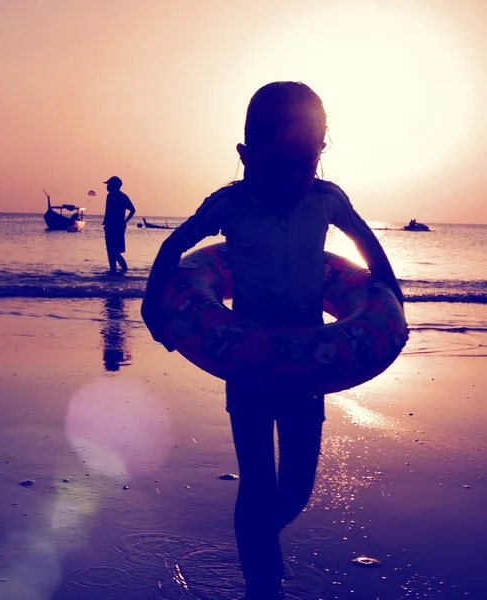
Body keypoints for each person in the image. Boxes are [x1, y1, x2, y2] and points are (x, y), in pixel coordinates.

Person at [141, 82, 404, 599]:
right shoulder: (230, 205)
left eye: (304, 163)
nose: (291, 179)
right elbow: (176, 244)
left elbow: (365, 240)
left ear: (320, 155)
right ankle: (262, 576)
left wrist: (391, 298)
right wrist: (154, 306)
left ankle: (259, 542)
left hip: (309, 362)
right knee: (258, 478)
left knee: (299, 484)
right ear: (245, 156)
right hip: (249, 366)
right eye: (276, 163)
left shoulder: (325, 199)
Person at [102, 176, 136, 274]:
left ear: (115, 186)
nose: (107, 186)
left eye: (109, 184)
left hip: (117, 227)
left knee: (115, 252)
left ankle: (124, 270)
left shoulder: (122, 197)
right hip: (109, 226)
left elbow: (132, 210)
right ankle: (113, 270)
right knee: (110, 250)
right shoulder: (109, 196)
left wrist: (124, 222)